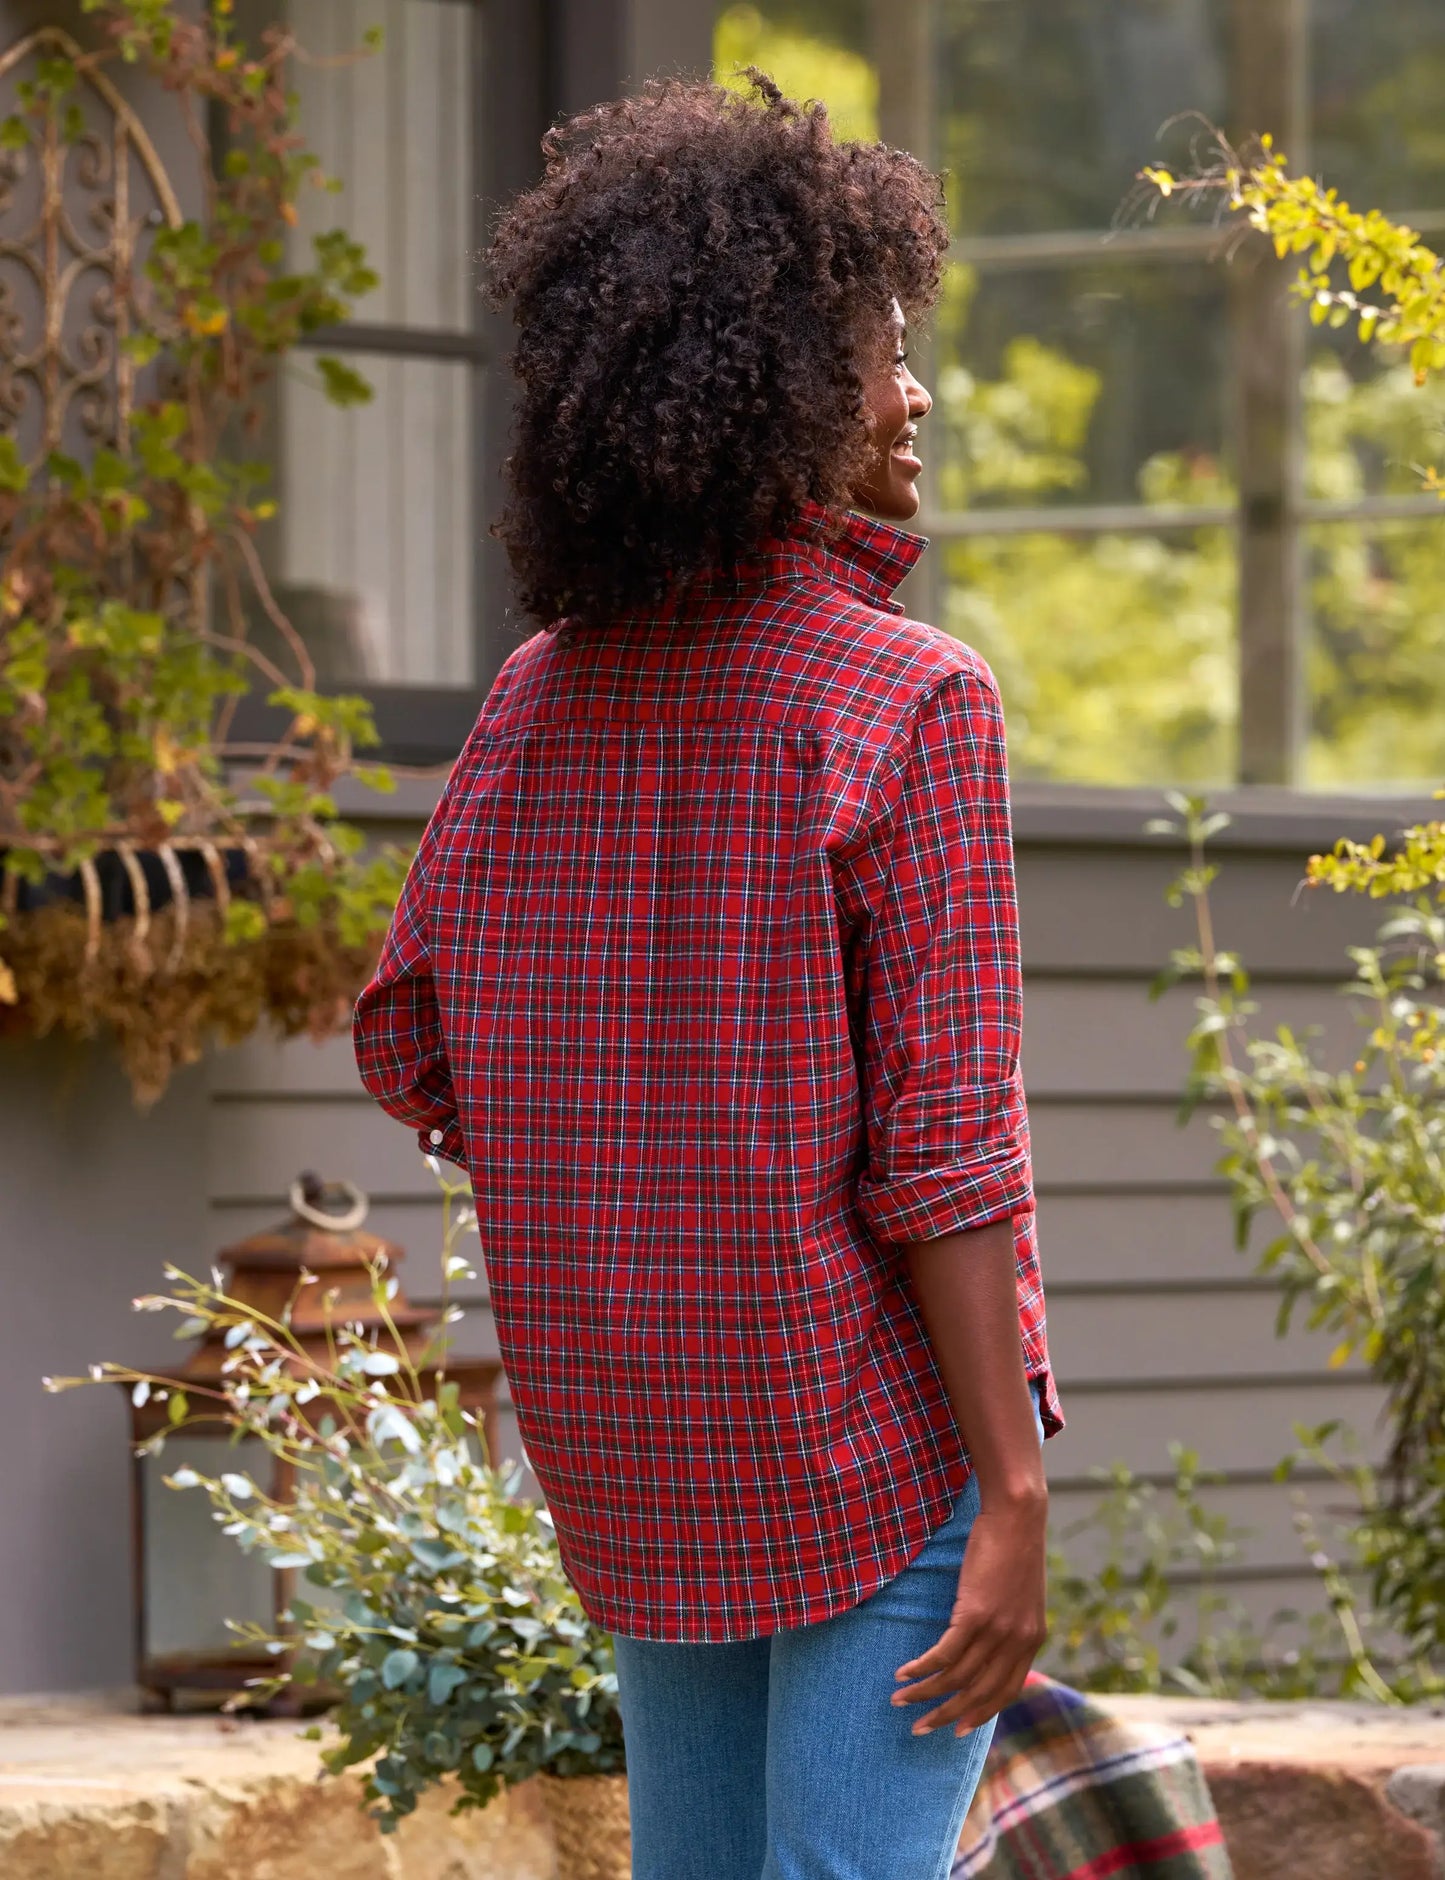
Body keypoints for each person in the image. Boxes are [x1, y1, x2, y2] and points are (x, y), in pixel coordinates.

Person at [354, 71, 1061, 1880]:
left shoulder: (530, 703)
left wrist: (629, 1160)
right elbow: (951, 1155)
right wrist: (1014, 1493)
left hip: (640, 1459)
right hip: (858, 1448)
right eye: (874, 352)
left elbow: (421, 1043)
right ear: (755, 388)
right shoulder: (908, 699)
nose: (914, 394)